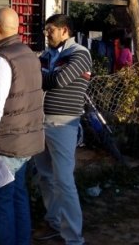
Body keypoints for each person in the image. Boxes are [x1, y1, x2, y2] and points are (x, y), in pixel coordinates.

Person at [0, 7, 44, 245]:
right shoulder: (29, 54)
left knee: (0, 202)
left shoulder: (3, 59)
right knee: (18, 197)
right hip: (26, 141)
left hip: (5, 144)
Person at [32, 14, 92, 244]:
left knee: (64, 180)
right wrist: (43, 75)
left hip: (64, 124)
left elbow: (57, 81)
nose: (47, 34)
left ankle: (74, 238)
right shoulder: (47, 55)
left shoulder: (80, 53)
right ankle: (55, 221)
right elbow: (41, 78)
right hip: (41, 121)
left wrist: (41, 75)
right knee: (45, 177)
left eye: (51, 30)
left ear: (65, 30)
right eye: (46, 30)